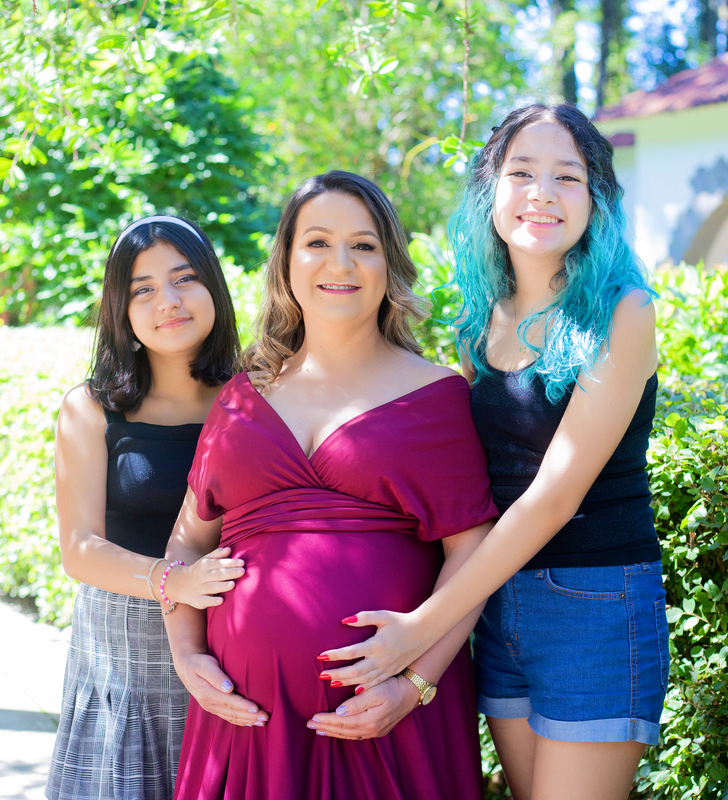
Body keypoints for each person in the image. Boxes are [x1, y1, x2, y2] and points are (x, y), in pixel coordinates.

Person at [316, 104, 668, 800]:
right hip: (498, 602)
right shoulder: (480, 320)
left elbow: (554, 497)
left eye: (567, 176)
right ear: (490, 192)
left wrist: (420, 628)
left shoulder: (624, 312)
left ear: (596, 197)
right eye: (522, 173)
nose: (542, 193)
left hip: (594, 603)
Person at [163, 171, 499, 800]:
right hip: (246, 721)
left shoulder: (439, 396)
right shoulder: (240, 397)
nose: (339, 263)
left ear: (389, 265)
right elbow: (187, 544)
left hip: (384, 715)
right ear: (286, 262)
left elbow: (474, 556)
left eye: (363, 245)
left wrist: (415, 684)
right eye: (316, 242)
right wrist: (186, 653)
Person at [46, 215, 250, 800]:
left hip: (237, 648)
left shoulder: (259, 395)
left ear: (213, 288)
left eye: (184, 279)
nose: (169, 301)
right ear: (121, 309)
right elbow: (79, 549)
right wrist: (174, 581)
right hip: (126, 655)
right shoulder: (91, 408)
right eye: (144, 288)